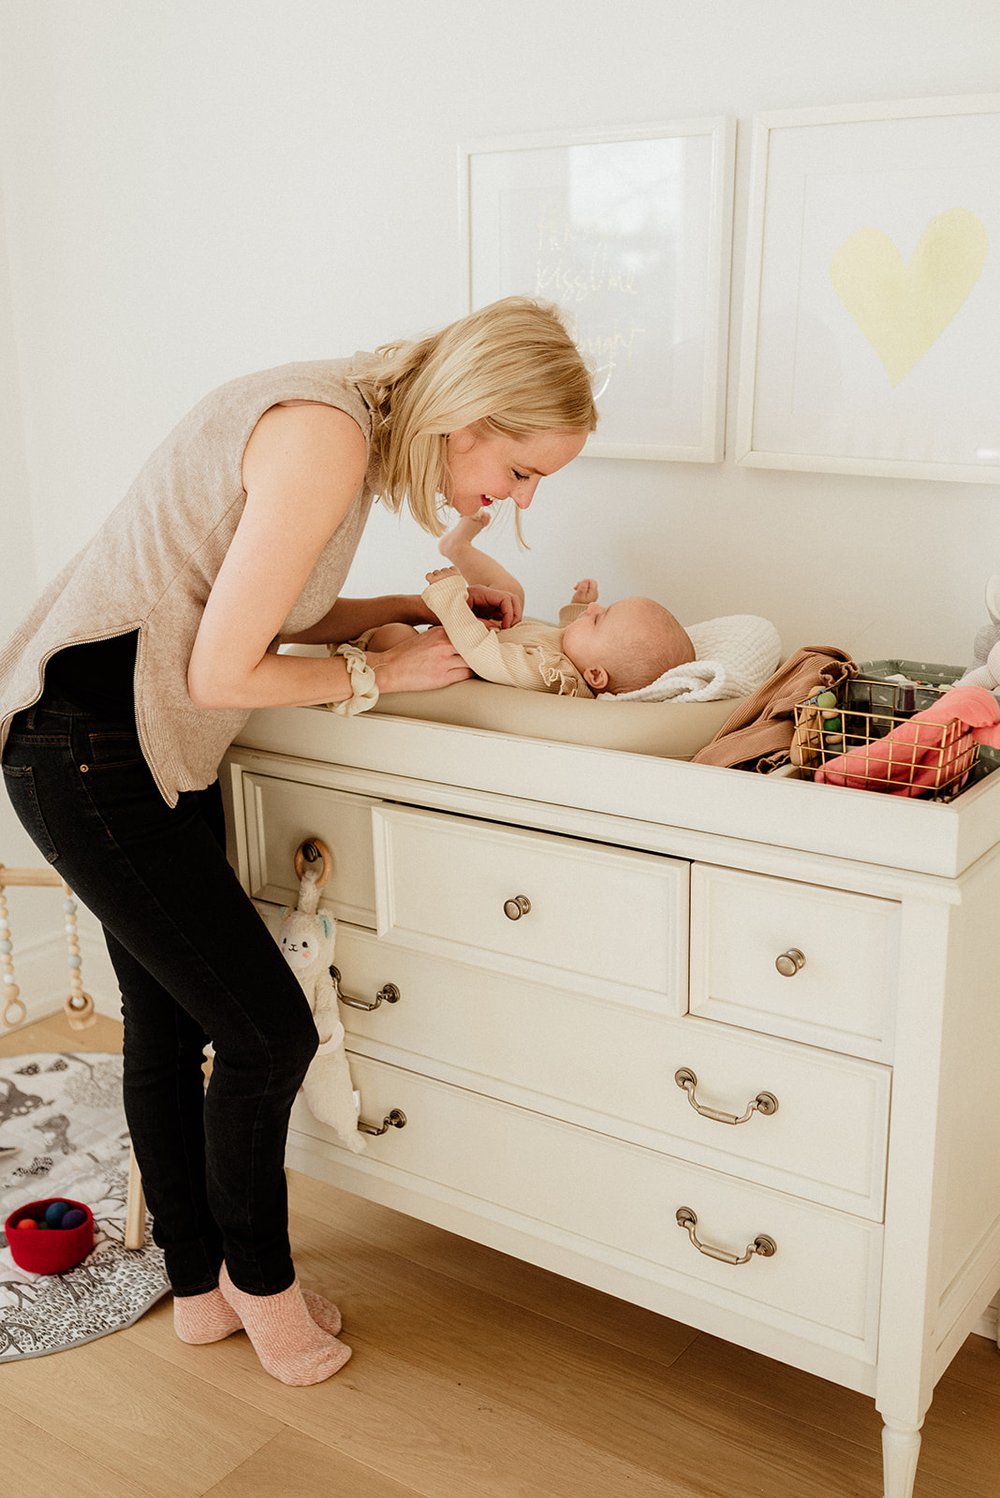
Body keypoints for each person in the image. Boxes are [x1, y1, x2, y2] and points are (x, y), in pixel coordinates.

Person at [0, 296, 596, 1385]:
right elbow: (221, 670)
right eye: (520, 470)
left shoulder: (344, 421)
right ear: (468, 419)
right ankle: (260, 1286)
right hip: (94, 748)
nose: (515, 501)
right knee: (268, 1033)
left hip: (138, 742)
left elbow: (249, 599)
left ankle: (197, 1290)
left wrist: (408, 610)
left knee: (170, 1026)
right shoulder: (323, 432)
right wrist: (380, 673)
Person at [363, 511, 695, 697]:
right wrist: (580, 609)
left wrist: (450, 601)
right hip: (494, 631)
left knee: (394, 635)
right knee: (511, 591)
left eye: (599, 619)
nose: (596, 609)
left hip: (459, 651)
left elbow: (485, 657)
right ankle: (457, 546)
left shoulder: (553, 675)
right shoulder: (581, 655)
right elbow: (573, 639)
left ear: (594, 675)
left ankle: (362, 656)